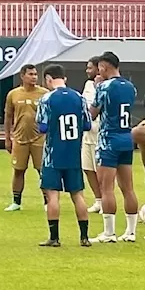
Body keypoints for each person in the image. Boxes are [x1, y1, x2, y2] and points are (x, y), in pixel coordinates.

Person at [36, 65, 92, 247]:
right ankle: (84, 237)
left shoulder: (47, 99)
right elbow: (87, 125)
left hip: (53, 155)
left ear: (48, 79)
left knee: (53, 195)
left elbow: (42, 127)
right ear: (65, 78)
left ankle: (54, 237)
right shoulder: (79, 98)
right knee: (78, 195)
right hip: (73, 154)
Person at [90, 52, 140, 243]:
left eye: (99, 67)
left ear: (104, 66)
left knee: (106, 188)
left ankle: (109, 233)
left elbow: (93, 113)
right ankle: (131, 231)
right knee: (128, 187)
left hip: (109, 139)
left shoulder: (104, 86)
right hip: (126, 137)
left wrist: (96, 89)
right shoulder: (130, 86)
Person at [3, 64, 44, 212]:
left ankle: (47, 202)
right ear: (22, 76)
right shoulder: (13, 94)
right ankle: (16, 202)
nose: (34, 77)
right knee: (19, 170)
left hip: (40, 138)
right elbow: (8, 117)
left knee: (42, 171)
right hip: (19, 138)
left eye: (35, 74)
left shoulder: (44, 93)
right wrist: (7, 138)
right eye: (31, 74)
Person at [81, 58, 104, 214]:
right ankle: (98, 200)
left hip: (101, 135)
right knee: (88, 169)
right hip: (87, 134)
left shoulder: (105, 86)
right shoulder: (87, 85)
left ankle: (106, 200)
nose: (87, 71)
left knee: (102, 171)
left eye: (90, 68)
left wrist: (98, 87)